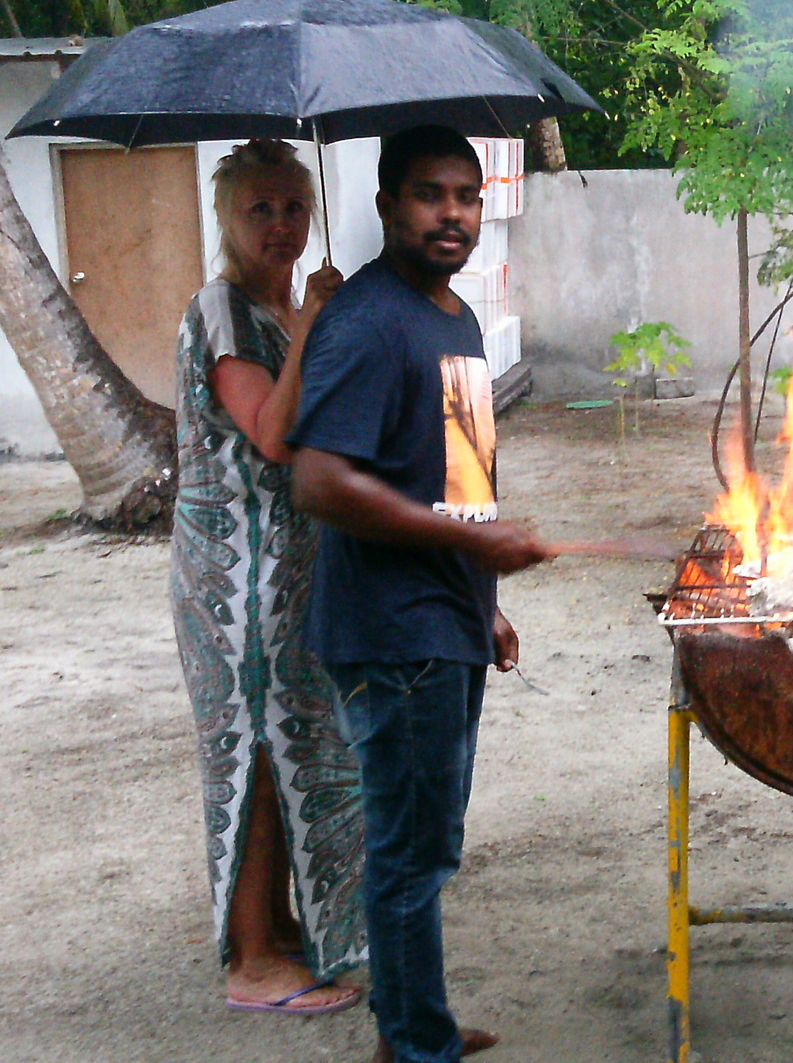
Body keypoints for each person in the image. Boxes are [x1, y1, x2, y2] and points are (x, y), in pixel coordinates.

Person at [289, 125, 552, 1063]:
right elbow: (319, 481)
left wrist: (483, 599)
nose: (453, 214)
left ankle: (417, 1027)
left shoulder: (455, 317)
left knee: (428, 842)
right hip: (391, 636)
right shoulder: (365, 320)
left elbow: (464, 483)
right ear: (387, 206)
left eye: (467, 197)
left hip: (445, 627)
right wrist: (465, 555)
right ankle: (410, 1044)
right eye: (430, 195)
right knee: (409, 852)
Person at [171, 139, 365, 1014]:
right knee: (250, 752)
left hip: (289, 574)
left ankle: (279, 926)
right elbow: (272, 433)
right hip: (233, 577)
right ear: (227, 219)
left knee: (293, 745)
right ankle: (252, 961)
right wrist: (313, 330)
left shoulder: (287, 307)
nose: (282, 224)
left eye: (294, 206)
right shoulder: (223, 310)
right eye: (262, 209)